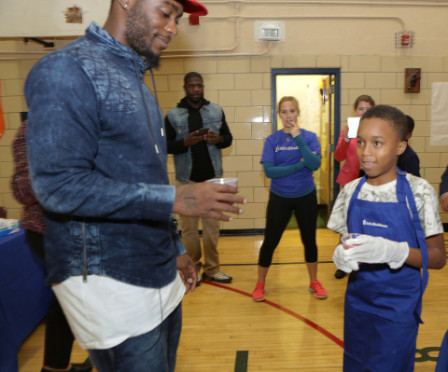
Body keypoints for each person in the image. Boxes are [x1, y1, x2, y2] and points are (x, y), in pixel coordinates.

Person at [24, 0, 246, 371]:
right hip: (109, 276)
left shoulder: (137, 83)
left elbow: (144, 178)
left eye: (177, 18)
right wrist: (176, 197)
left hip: (158, 268)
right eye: (166, 11)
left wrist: (175, 247)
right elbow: (58, 186)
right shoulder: (67, 69)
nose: (173, 27)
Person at [328, 105, 446, 371]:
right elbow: (346, 243)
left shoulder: (419, 192)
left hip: (398, 311)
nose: (366, 152)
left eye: (377, 143)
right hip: (357, 306)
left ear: (400, 147)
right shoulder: (349, 191)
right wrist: (341, 254)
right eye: (361, 142)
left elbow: (438, 258)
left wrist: (395, 252)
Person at [11, 119, 92, 372]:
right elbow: (22, 190)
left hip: (87, 230)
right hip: (50, 233)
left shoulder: (85, 123)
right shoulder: (31, 129)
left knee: (67, 301)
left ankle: (56, 366)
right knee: (72, 299)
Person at [251, 96, 327, 302]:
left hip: (305, 196)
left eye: (291, 111)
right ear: (279, 115)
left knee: (309, 241)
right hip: (280, 197)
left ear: (298, 113)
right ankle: (260, 283)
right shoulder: (273, 140)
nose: (288, 115)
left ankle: (313, 281)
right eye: (284, 112)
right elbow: (269, 171)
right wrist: (298, 165)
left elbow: (313, 164)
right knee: (270, 242)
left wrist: (298, 138)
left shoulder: (309, 137)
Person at [165, 72, 234, 284]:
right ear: (185, 87)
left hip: (213, 180)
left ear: (202, 87)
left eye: (199, 85)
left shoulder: (215, 110)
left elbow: (228, 139)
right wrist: (185, 142)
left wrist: (218, 138)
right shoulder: (172, 115)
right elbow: (167, 146)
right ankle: (192, 267)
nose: (195, 89)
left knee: (212, 230)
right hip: (188, 181)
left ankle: (212, 269)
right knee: (189, 231)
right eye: (191, 86)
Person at [333, 94, 375, 279]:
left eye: (368, 109)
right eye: (361, 109)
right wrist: (348, 137)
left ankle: (367, 260)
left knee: (370, 222)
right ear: (355, 111)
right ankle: (344, 262)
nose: (364, 112)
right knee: (347, 223)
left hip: (372, 180)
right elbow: (338, 156)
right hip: (350, 181)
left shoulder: (378, 130)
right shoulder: (347, 130)